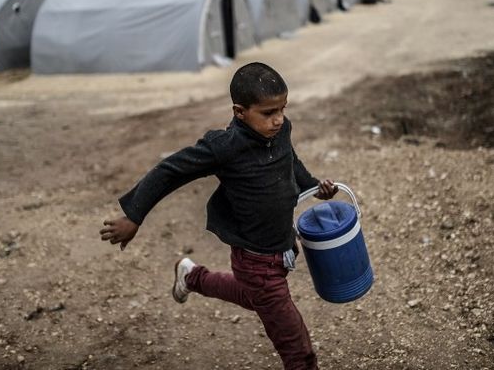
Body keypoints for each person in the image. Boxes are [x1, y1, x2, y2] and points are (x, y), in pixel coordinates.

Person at [100, 62, 338, 370]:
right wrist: (134, 215)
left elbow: (289, 161)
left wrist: (312, 186)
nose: (279, 119)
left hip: (282, 247)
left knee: (255, 298)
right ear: (240, 112)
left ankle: (192, 276)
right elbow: (170, 170)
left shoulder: (280, 130)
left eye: (282, 109)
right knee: (298, 351)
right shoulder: (224, 147)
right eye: (268, 113)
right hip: (255, 261)